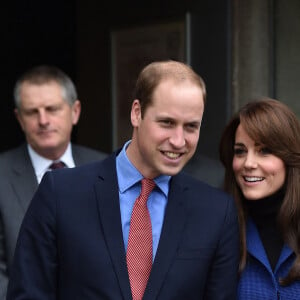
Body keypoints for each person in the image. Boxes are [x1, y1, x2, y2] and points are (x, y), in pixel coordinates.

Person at [7, 60, 239, 300]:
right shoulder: (61, 193)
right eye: (167, 123)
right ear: (136, 113)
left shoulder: (216, 212)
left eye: (191, 127)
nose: (179, 140)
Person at [0, 65, 107, 299]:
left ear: (75, 111)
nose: (43, 120)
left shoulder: (108, 168)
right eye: (32, 112)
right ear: (19, 119)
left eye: (52, 109)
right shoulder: (2, 175)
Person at [219, 97, 300, 299]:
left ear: (289, 158)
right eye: (240, 151)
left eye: (264, 151)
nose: (248, 163)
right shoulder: (217, 229)